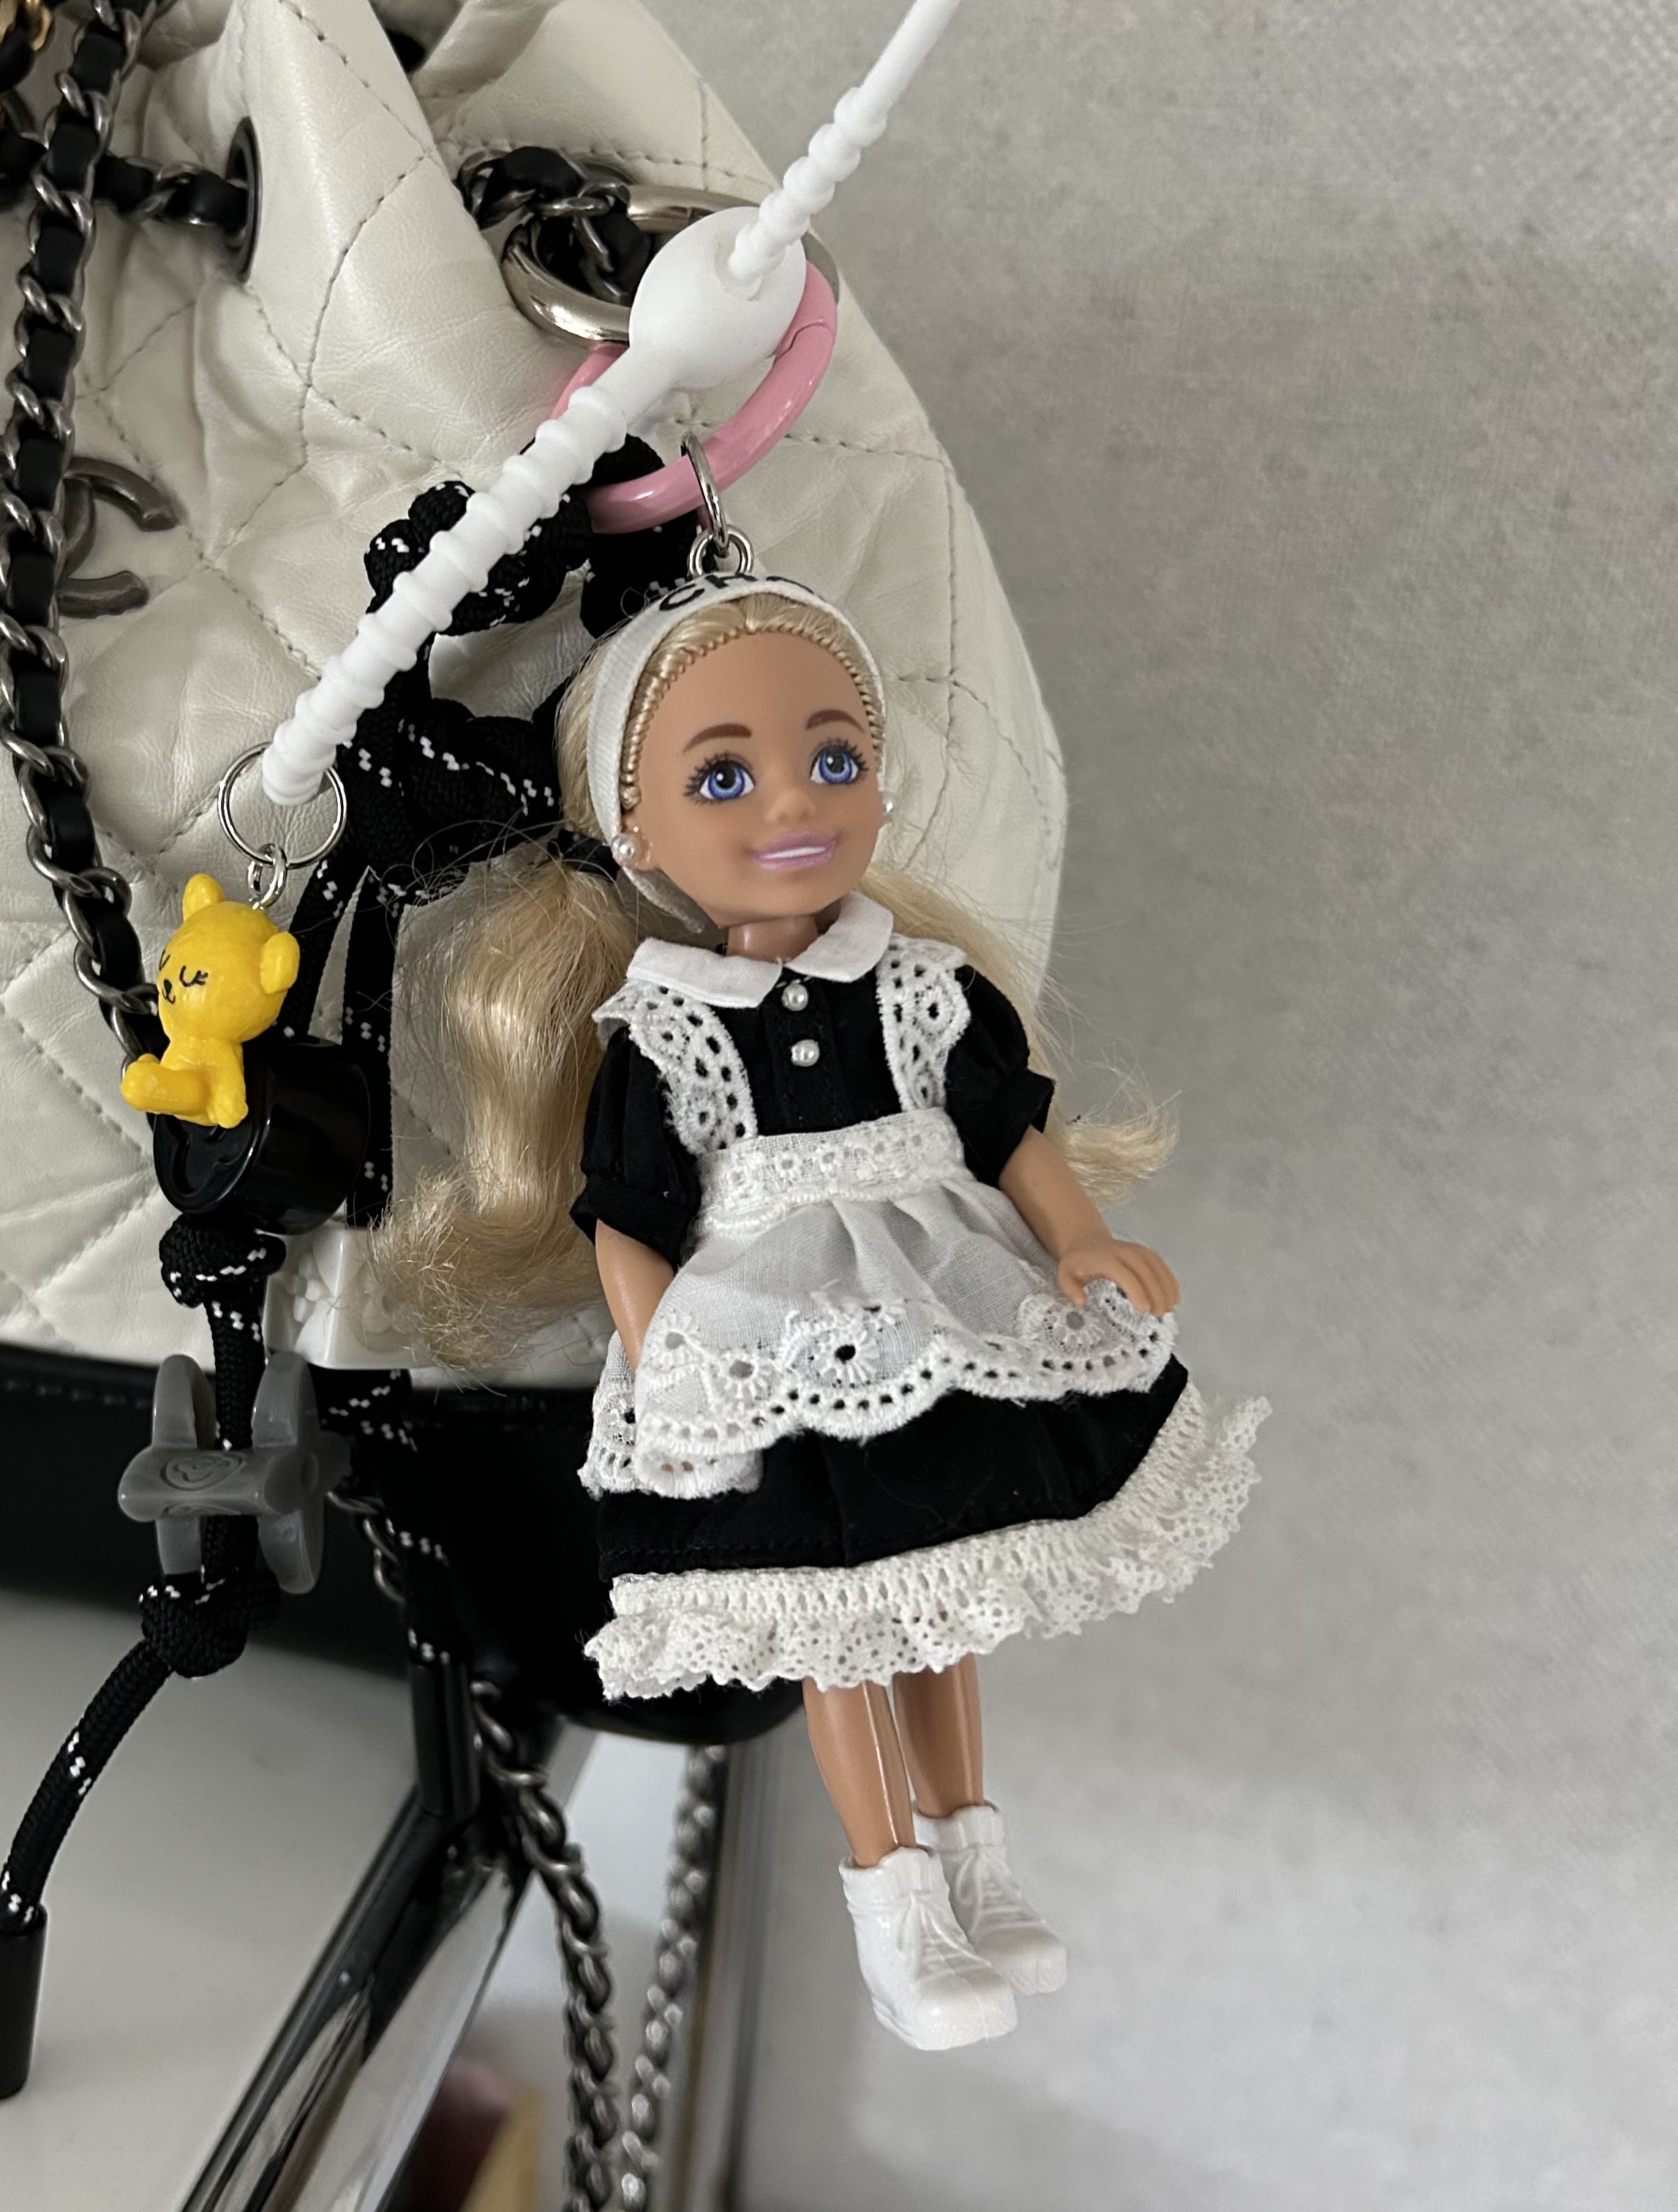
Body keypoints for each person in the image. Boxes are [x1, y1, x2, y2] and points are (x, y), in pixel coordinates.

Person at [381, 568, 1264, 2050]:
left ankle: (977, 1860)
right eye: (724, 776)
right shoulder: (667, 1031)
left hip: (947, 1321)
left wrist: (1085, 1243)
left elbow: (1009, 1137)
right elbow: (629, 1226)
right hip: (768, 1356)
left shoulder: (923, 988)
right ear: (636, 830)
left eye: (834, 757)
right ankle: (895, 1907)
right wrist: (672, 1374)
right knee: (836, 1634)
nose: (794, 800)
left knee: (948, 1605)